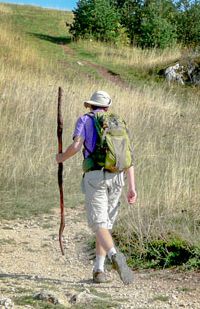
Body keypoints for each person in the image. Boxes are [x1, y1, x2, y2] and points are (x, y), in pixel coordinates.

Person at [55, 90, 136, 284]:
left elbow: (76, 146)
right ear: (107, 107)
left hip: (95, 177)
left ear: (90, 105)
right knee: (106, 224)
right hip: (117, 177)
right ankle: (99, 270)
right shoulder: (118, 122)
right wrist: (132, 187)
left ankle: (115, 256)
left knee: (98, 223)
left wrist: (61, 158)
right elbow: (128, 157)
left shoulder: (84, 120)